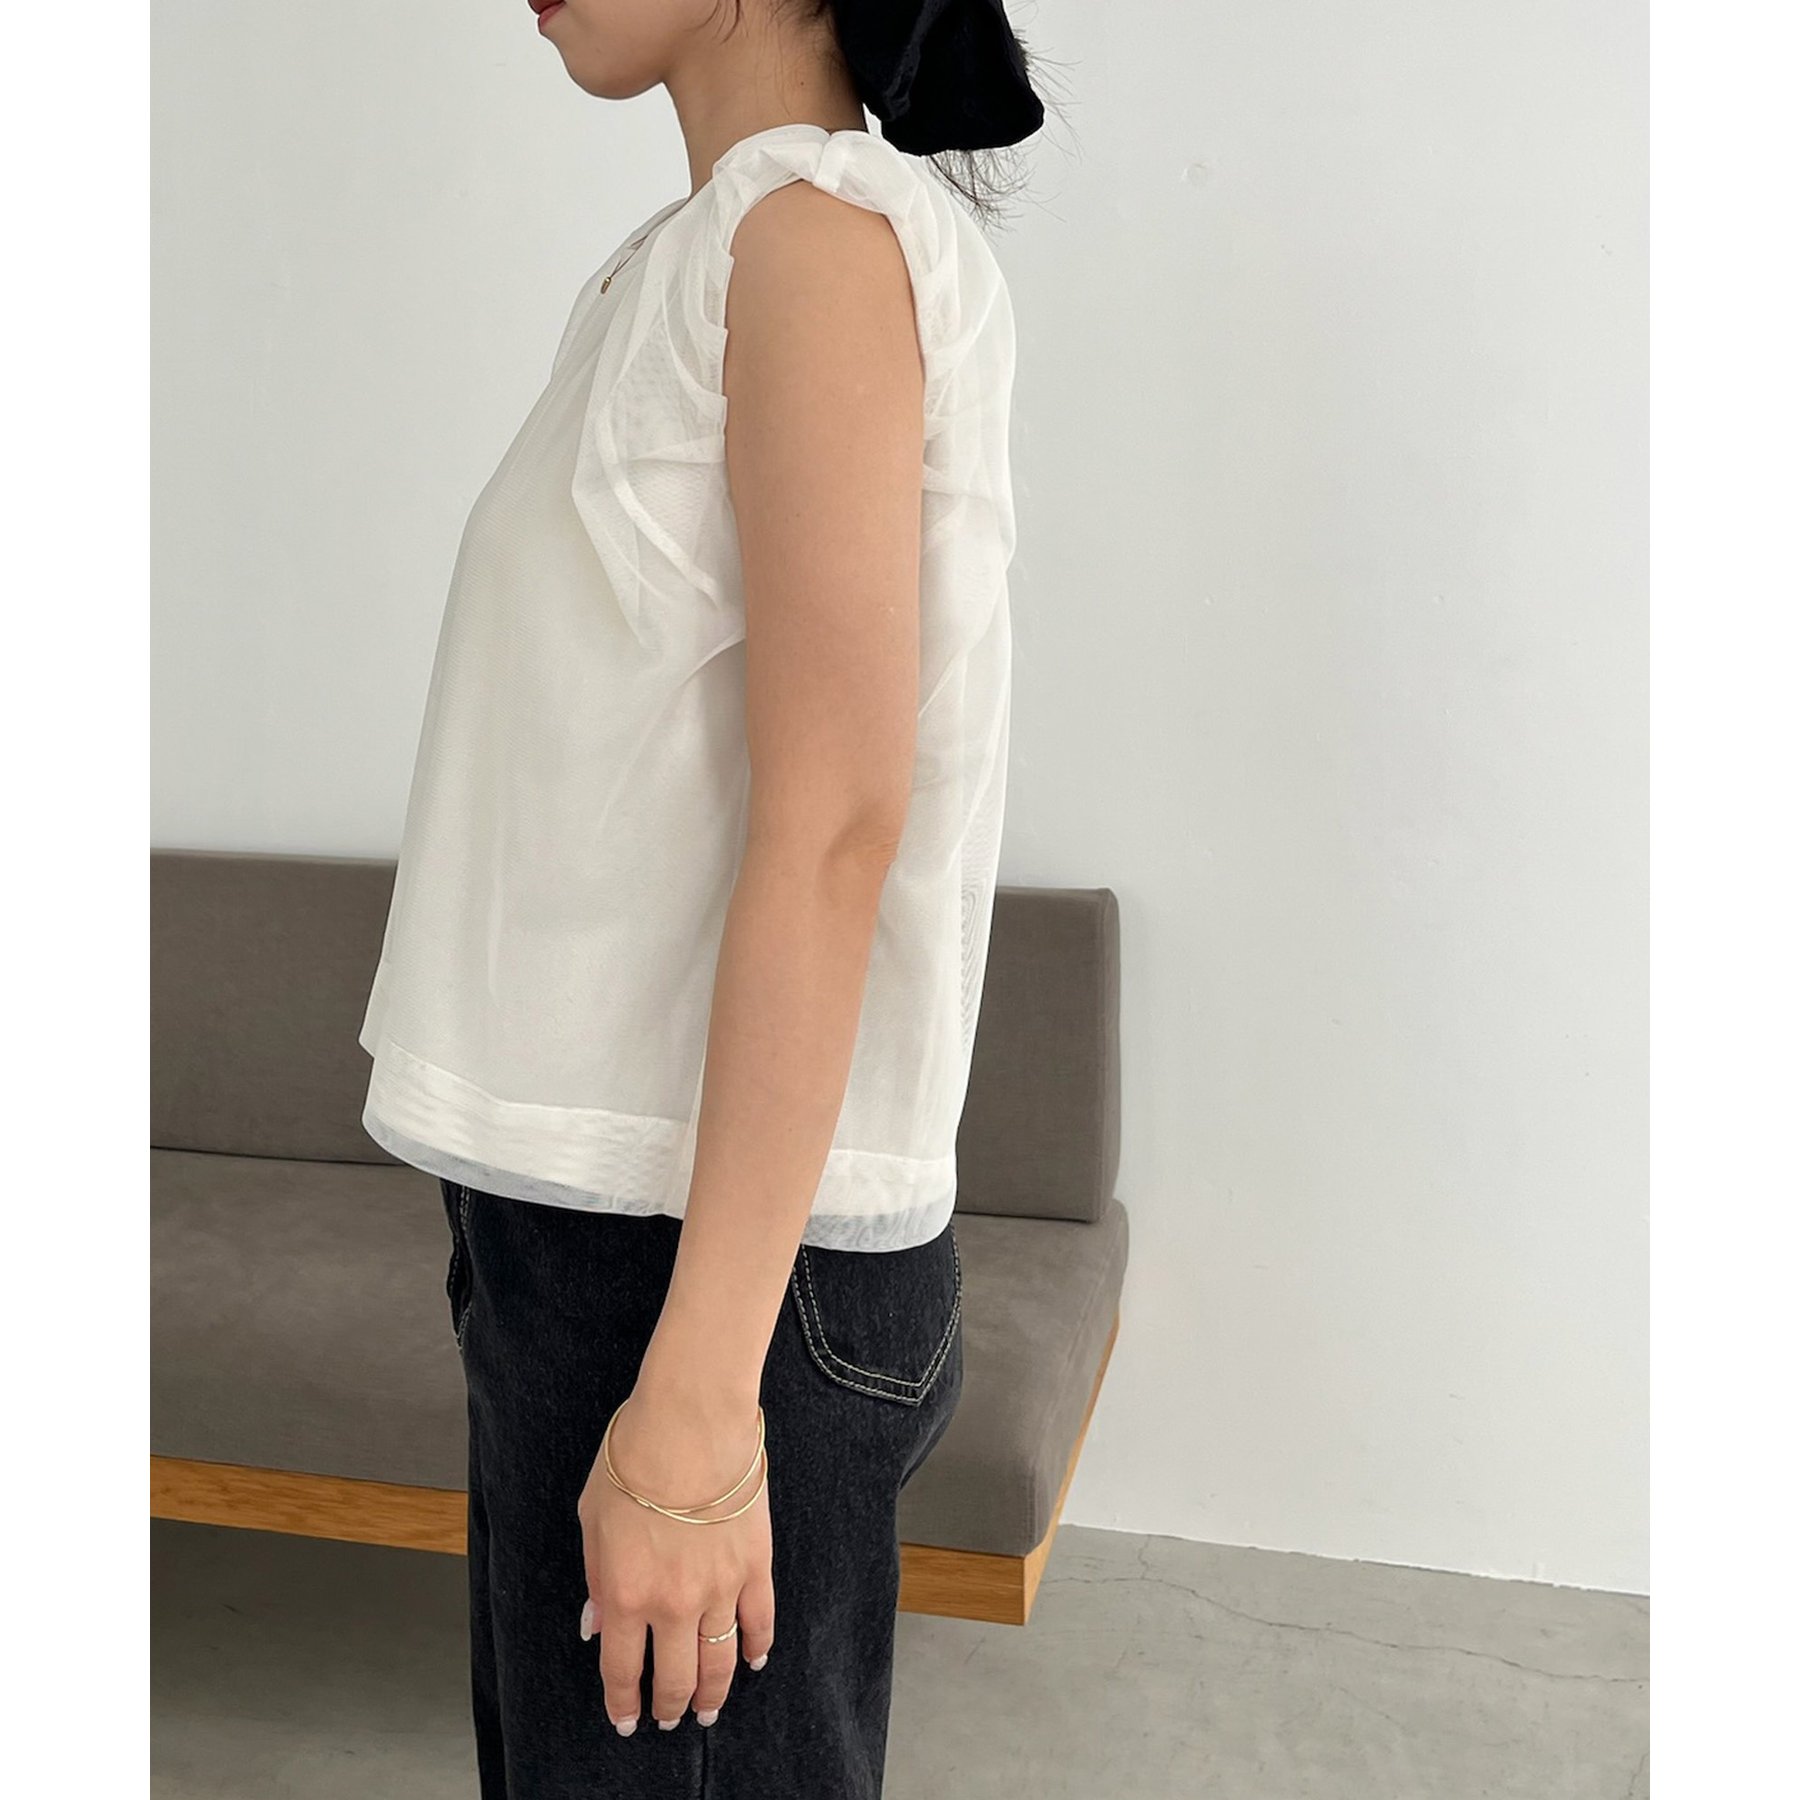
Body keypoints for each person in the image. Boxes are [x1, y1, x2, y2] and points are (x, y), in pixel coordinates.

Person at [355, 2, 1045, 1793]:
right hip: (605, 1236)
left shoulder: (811, 242)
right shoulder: (702, 250)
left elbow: (838, 822)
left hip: (709, 1272)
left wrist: (695, 1393)